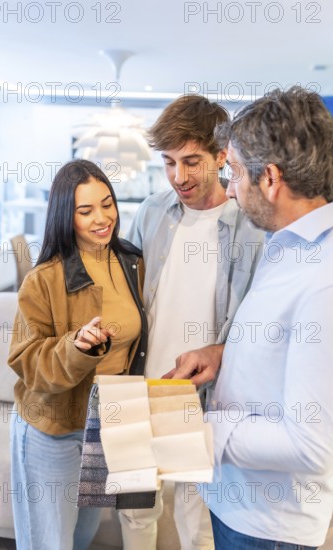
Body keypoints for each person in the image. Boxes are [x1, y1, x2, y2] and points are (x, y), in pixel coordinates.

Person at [172, 86, 333, 549]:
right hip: (240, 501)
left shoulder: (330, 278)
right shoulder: (288, 242)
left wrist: (204, 428)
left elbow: (313, 444)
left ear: (269, 178)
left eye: (232, 173)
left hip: (268, 527)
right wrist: (223, 354)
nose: (230, 189)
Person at [124, 94, 265, 550]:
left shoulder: (250, 226)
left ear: (222, 155)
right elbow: (125, 292)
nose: (178, 177)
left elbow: (256, 321)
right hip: (141, 386)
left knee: (197, 519)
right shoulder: (150, 212)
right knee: (136, 511)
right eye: (168, 162)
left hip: (200, 396)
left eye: (191, 161)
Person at [8, 159, 149, 550]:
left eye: (107, 204)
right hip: (54, 426)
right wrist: (76, 346)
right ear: (65, 216)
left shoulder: (130, 261)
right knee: (49, 542)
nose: (102, 218)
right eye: (85, 211)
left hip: (108, 421)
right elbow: (27, 362)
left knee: (83, 534)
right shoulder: (45, 279)